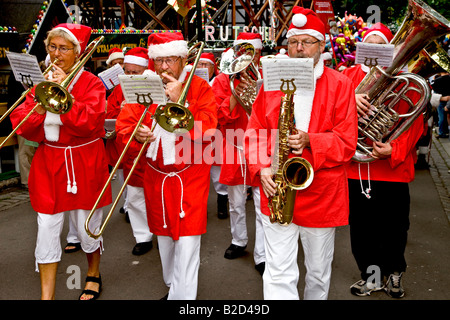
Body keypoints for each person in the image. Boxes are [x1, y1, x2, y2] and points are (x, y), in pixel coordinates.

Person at [244, 7, 358, 300]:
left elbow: (347, 142)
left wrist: (310, 141)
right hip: (277, 188)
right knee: (278, 271)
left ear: (322, 45)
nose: (299, 48)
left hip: (321, 191)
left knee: (318, 272)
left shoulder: (341, 84)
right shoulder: (271, 82)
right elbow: (255, 130)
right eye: (294, 41)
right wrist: (261, 168)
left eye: (307, 41)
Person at [10, 23, 111, 300]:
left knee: (87, 228)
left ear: (77, 53)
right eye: (52, 47)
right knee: (46, 230)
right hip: (50, 162)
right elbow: (22, 125)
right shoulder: (41, 80)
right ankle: (48, 296)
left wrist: (64, 99)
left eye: (63, 48)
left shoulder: (91, 82)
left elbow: (91, 123)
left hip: (84, 160)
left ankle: (93, 273)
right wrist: (42, 102)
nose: (56, 54)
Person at [115, 32, 218, 300]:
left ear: (183, 60)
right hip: (156, 176)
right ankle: (174, 287)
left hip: (191, 176)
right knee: (164, 238)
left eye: (169, 60)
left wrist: (180, 101)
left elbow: (209, 130)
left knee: (187, 243)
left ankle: (183, 298)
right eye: (158, 61)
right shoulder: (143, 86)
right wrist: (135, 135)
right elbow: (124, 127)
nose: (163, 67)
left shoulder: (199, 87)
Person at [342, 22, 425, 298]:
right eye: (369, 45)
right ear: (361, 48)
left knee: (396, 226)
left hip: (392, 168)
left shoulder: (404, 78)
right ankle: (372, 276)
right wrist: (349, 102)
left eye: (381, 46)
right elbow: (330, 113)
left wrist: (394, 148)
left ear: (390, 51)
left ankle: (395, 273)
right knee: (363, 228)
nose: (374, 50)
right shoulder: (346, 78)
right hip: (358, 169)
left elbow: (414, 121)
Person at [212, 32, 266, 275]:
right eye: (242, 52)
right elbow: (218, 116)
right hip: (234, 144)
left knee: (261, 202)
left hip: (263, 144)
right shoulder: (224, 79)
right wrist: (236, 94)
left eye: (251, 52)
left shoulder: (267, 74)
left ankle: (263, 254)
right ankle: (239, 240)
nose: (247, 57)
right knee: (235, 201)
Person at [106, 47, 154, 255]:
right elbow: (109, 114)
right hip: (130, 150)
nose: (130, 76)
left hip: (153, 151)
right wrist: (122, 110)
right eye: (127, 71)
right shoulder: (118, 90)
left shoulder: (156, 87)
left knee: (157, 197)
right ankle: (143, 237)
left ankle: (163, 232)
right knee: (134, 197)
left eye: (136, 72)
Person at [198, 52, 229, 219]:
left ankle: (222, 200)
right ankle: (198, 206)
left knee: (217, 172)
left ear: (213, 68)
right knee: (198, 173)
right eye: (200, 65)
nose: (202, 68)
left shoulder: (217, 82)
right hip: (197, 132)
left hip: (215, 131)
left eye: (206, 65)